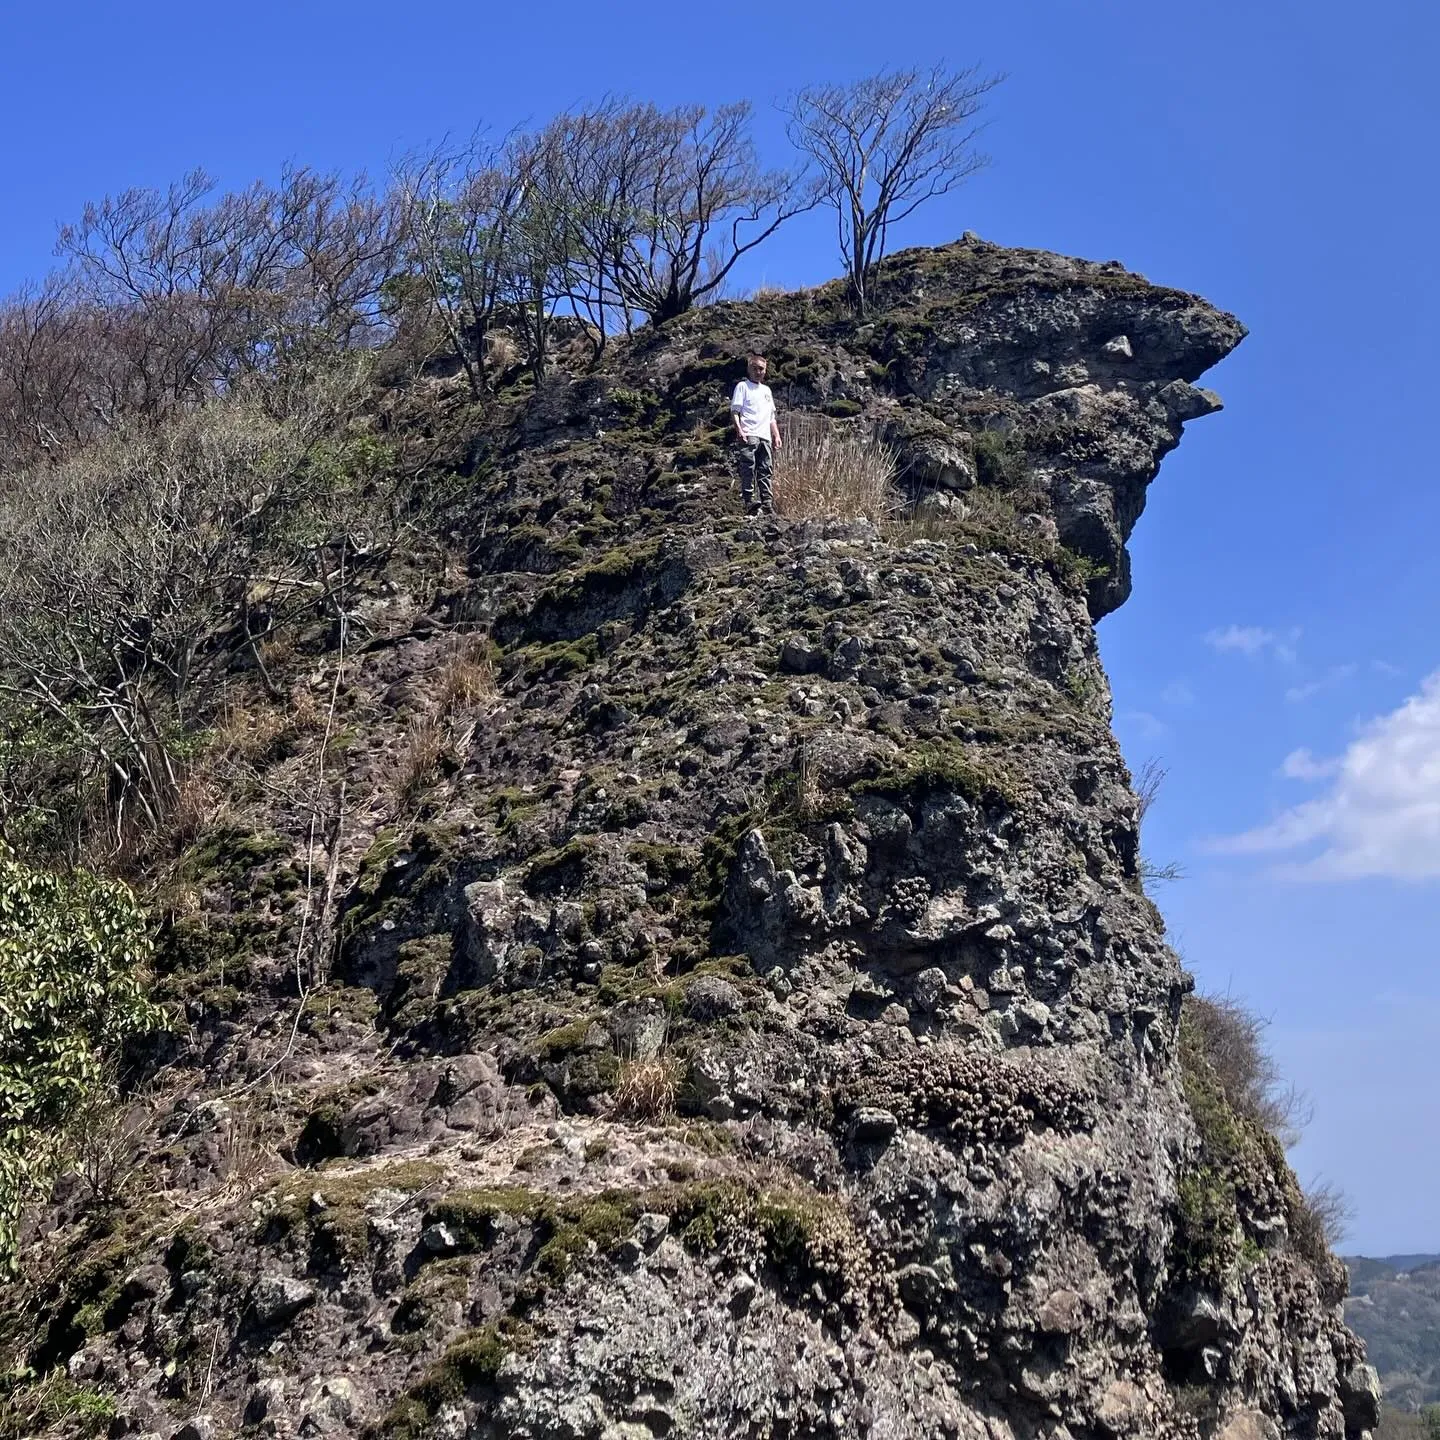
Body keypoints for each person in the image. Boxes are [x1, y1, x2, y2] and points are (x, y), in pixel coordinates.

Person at [730, 353, 781, 515]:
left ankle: (767, 502)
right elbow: (735, 410)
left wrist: (776, 435)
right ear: (749, 369)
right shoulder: (743, 387)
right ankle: (748, 500)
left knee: (766, 469)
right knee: (748, 467)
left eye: (761, 369)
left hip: (765, 435)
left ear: (765, 371)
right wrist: (739, 429)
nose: (758, 372)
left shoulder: (766, 390)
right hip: (749, 433)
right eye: (755, 368)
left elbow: (771, 417)